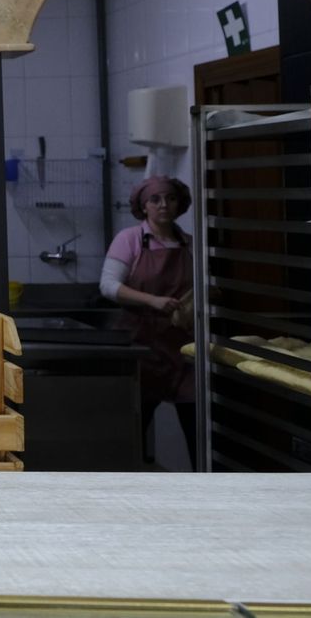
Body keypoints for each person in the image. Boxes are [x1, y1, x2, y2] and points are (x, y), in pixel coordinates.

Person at [101, 175, 195, 466]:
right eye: (155, 199)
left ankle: (204, 485)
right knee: (134, 429)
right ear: (143, 206)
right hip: (142, 346)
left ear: (180, 204)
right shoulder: (130, 240)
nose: (163, 205)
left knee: (195, 424)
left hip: (183, 347)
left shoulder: (190, 244)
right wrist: (153, 301)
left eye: (170, 198)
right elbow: (108, 285)